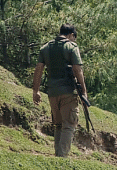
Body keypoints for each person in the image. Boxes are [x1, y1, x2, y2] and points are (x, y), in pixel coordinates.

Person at [32, 23, 87, 157]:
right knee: (69, 125)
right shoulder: (71, 46)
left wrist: (36, 91)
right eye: (74, 37)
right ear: (71, 35)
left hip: (52, 92)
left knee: (58, 125)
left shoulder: (45, 48)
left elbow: (39, 68)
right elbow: (77, 69)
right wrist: (84, 91)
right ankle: (62, 158)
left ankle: (58, 157)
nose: (74, 40)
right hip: (68, 92)